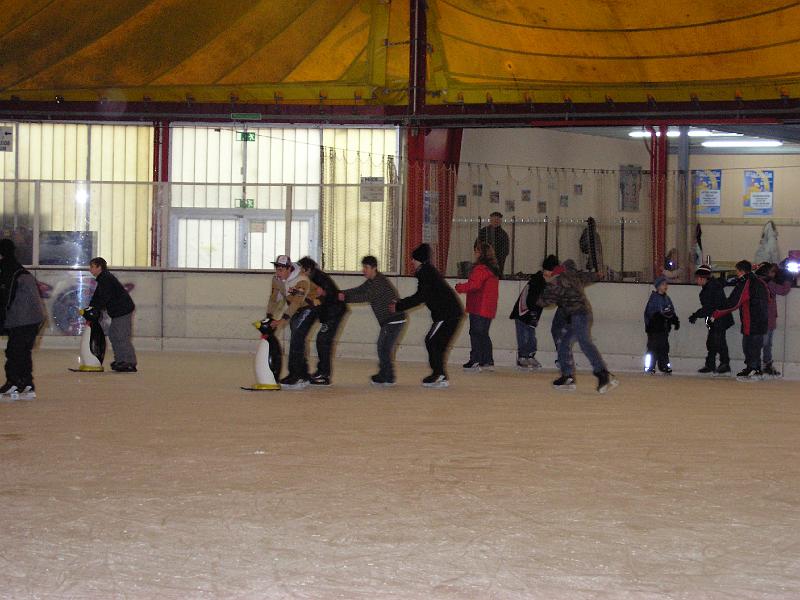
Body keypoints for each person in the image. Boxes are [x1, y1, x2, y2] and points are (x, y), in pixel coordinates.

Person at [538, 256, 618, 393]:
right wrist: (597, 275)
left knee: (584, 342)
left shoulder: (557, 282)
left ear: (551, 272)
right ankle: (567, 376)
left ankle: (602, 373)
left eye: (546, 274)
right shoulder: (571, 274)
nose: (545, 277)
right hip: (582, 314)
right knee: (564, 342)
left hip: (579, 316)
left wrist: (535, 298)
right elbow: (587, 276)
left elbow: (546, 301)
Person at [392, 243, 463, 388]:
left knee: (431, 341)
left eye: (413, 259)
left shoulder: (426, 273)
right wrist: (401, 303)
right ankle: (440, 374)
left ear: (419, 259)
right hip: (449, 313)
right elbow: (421, 295)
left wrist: (399, 305)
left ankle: (439, 375)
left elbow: (420, 297)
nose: (411, 261)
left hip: (447, 314)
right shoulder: (427, 272)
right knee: (436, 343)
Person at [339, 256, 406, 386]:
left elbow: (366, 296)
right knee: (383, 347)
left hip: (394, 320)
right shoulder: (372, 281)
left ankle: (388, 376)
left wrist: (345, 298)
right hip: (390, 320)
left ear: (374, 268)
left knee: (383, 347)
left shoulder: (379, 282)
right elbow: (359, 290)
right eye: (363, 267)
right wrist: (341, 292)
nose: (363, 270)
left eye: (366, 267)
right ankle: (386, 375)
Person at [0, 239, 44, 400]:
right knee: (23, 352)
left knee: (14, 351)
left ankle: (14, 382)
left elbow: (6, 297)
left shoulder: (8, 270)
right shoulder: (18, 268)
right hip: (33, 318)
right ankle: (26, 384)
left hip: (22, 319)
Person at [266, 255, 319, 389]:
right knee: (297, 338)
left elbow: (296, 302)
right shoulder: (277, 279)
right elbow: (274, 299)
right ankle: (303, 375)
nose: (278, 273)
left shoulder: (302, 280)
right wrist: (269, 316)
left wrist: (282, 320)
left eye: (282, 270)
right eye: (277, 269)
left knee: (296, 338)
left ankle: (296, 375)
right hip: (296, 309)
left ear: (289, 269)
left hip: (309, 308)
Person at [712, 260, 769, 381]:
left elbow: (734, 302)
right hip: (760, 321)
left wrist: (716, 313)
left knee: (750, 346)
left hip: (752, 321)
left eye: (737, 271)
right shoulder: (758, 281)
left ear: (742, 271)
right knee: (752, 346)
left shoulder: (746, 283)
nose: (737, 274)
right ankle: (753, 368)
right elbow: (768, 298)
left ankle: (754, 369)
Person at [297, 257, 347, 386]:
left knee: (323, 340)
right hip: (330, 313)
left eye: (301, 269)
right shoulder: (312, 278)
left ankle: (324, 374)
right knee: (322, 339)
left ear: (308, 269)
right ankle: (322, 372)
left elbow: (331, 294)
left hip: (334, 313)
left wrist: (322, 293)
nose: (299, 272)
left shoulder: (318, 278)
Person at [455, 242, 500, 372]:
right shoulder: (492, 269)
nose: (475, 253)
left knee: (475, 333)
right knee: (483, 334)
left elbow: (474, 285)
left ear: (481, 254)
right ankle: (487, 360)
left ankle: (476, 360)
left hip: (479, 306)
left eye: (477, 251)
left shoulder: (481, 268)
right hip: (489, 306)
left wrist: (460, 287)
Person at [88, 257, 137, 372]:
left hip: (123, 310)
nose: (90, 270)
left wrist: (96, 309)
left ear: (99, 267)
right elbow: (97, 296)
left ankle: (129, 362)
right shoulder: (103, 278)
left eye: (92, 267)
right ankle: (120, 360)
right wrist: (91, 307)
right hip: (118, 311)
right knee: (114, 334)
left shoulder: (106, 279)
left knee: (121, 335)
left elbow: (105, 296)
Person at [688, 265, 733, 376]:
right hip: (716, 319)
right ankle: (711, 364)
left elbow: (709, 307)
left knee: (719, 341)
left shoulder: (711, 289)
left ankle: (724, 364)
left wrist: (696, 315)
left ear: (703, 278)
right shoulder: (711, 287)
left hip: (719, 319)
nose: (696, 280)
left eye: (697, 278)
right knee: (712, 342)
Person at [509, 261, 548, 370]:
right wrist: (533, 314)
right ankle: (522, 357)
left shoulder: (543, 280)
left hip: (531, 313)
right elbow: (531, 299)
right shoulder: (538, 281)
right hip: (523, 312)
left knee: (531, 334)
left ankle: (530, 355)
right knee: (523, 334)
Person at [756, 262, 792, 376]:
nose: (774, 274)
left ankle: (763, 365)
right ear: (767, 272)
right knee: (765, 343)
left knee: (766, 343)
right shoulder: (768, 283)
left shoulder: (761, 281)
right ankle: (761, 365)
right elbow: (783, 291)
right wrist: (787, 279)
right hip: (766, 318)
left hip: (766, 317)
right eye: (773, 272)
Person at [643, 275, 680, 375]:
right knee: (652, 348)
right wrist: (655, 320)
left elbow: (670, 311)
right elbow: (650, 313)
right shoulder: (654, 299)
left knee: (664, 347)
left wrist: (675, 320)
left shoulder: (667, 299)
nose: (666, 286)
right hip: (654, 330)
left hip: (663, 329)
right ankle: (649, 367)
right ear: (658, 286)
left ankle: (664, 366)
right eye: (663, 284)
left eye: (666, 284)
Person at [476, 212, 510, 276]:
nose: (496, 221)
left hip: (497, 264)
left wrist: (496, 259)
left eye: (498, 219)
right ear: (490, 220)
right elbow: (477, 246)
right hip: (484, 263)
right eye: (494, 219)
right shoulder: (484, 231)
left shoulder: (503, 234)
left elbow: (506, 250)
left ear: (500, 221)